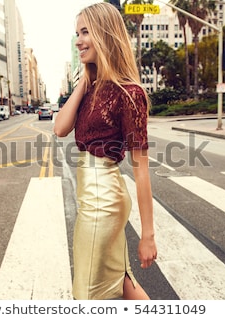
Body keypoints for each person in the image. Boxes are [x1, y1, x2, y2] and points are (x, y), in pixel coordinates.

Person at [54, 2, 157, 300]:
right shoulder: (90, 87)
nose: (79, 40)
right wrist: (84, 82)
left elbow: (141, 170)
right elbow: (60, 128)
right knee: (122, 281)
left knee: (86, 293)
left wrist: (148, 234)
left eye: (86, 32)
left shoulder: (129, 93)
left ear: (106, 34)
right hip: (91, 195)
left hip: (105, 200)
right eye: (77, 33)